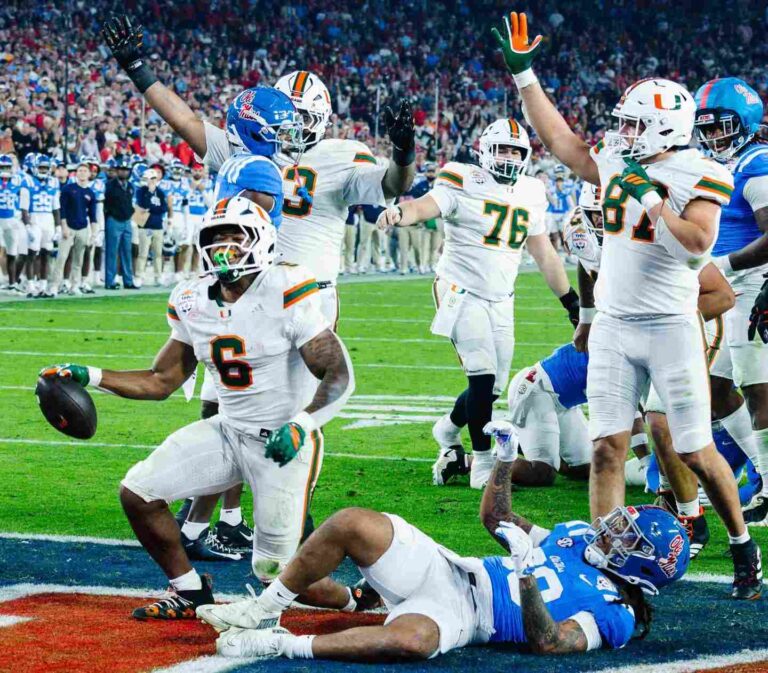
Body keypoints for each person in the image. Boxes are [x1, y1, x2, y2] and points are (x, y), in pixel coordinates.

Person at [496, 11, 761, 598]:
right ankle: (605, 559)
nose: (623, 134)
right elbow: (563, 143)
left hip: (670, 325)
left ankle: (743, 546)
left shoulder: (702, 171)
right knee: (606, 446)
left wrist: (651, 199)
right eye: (622, 124)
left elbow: (697, 246)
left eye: (635, 125)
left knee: (693, 448)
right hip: (615, 323)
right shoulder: (619, 159)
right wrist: (525, 78)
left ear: (667, 128)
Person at [39, 195, 355, 619]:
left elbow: (338, 374)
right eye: (215, 236)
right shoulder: (193, 299)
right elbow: (161, 380)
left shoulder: (286, 287)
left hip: (283, 442)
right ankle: (189, 590)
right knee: (139, 492)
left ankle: (355, 599)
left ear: (260, 240)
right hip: (228, 430)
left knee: (275, 574)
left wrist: (301, 424)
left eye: (235, 236)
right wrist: (90, 375)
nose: (224, 245)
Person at [198, 426, 688, 661]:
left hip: (468, 616)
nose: (613, 528)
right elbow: (498, 518)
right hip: (450, 570)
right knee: (354, 522)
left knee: (414, 642)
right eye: (623, 522)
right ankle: (265, 607)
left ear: (642, 567)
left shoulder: (616, 614)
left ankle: (286, 644)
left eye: (628, 535)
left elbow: (550, 642)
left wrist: (525, 578)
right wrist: (503, 460)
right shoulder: (578, 537)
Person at [378, 118, 579, 490]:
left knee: (493, 388)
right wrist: (400, 213)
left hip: (502, 298)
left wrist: (570, 300)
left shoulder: (532, 190)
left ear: (526, 155)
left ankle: (447, 428)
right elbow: (426, 206)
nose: (507, 156)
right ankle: (484, 464)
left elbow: (545, 254)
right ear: (484, 150)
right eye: (501, 148)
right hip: (460, 289)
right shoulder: (462, 177)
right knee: (481, 373)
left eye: (515, 151)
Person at [694, 78, 768, 527]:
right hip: (726, 288)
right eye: (706, 127)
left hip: (753, 283)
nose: (713, 135)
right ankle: (760, 470)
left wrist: (722, 261)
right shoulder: (724, 163)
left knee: (759, 389)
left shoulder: (758, 163)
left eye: (721, 126)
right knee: (717, 388)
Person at [50, 161, 97, 296]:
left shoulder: (90, 193)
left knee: (79, 259)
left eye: (84, 171)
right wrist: (63, 227)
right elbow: (62, 210)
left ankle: (75, 285)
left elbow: (93, 215)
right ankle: (54, 285)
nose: (82, 173)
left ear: (89, 174)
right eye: (80, 170)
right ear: (76, 173)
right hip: (69, 226)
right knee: (62, 257)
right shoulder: (68, 189)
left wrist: (94, 233)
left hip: (83, 227)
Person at [25, 154, 61, 298]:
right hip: (34, 217)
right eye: (41, 167)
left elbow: (56, 207)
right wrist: (27, 225)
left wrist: (58, 226)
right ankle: (30, 284)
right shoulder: (28, 181)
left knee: (46, 252)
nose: (44, 170)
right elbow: (24, 208)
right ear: (34, 168)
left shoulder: (53, 182)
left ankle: (43, 284)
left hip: (48, 219)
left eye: (46, 167)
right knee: (32, 252)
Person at [103, 156, 137, 290]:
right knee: (112, 252)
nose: (124, 172)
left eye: (126, 170)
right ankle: (110, 281)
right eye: (121, 169)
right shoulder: (109, 185)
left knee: (127, 251)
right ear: (117, 170)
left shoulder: (131, 186)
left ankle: (128, 281)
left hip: (127, 220)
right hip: (113, 220)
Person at [134, 168, 171, 286]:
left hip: (158, 226)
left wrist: (151, 209)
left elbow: (164, 208)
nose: (147, 181)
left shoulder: (160, 192)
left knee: (158, 254)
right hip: (145, 226)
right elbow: (143, 205)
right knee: (143, 253)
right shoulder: (141, 191)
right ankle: (139, 276)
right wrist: (149, 193)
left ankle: (158, 276)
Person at [0, 154, 30, 293]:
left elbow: (24, 203)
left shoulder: (19, 180)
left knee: (12, 252)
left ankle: (12, 283)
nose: (5, 169)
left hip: (12, 220)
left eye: (7, 167)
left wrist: (27, 223)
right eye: (2, 167)